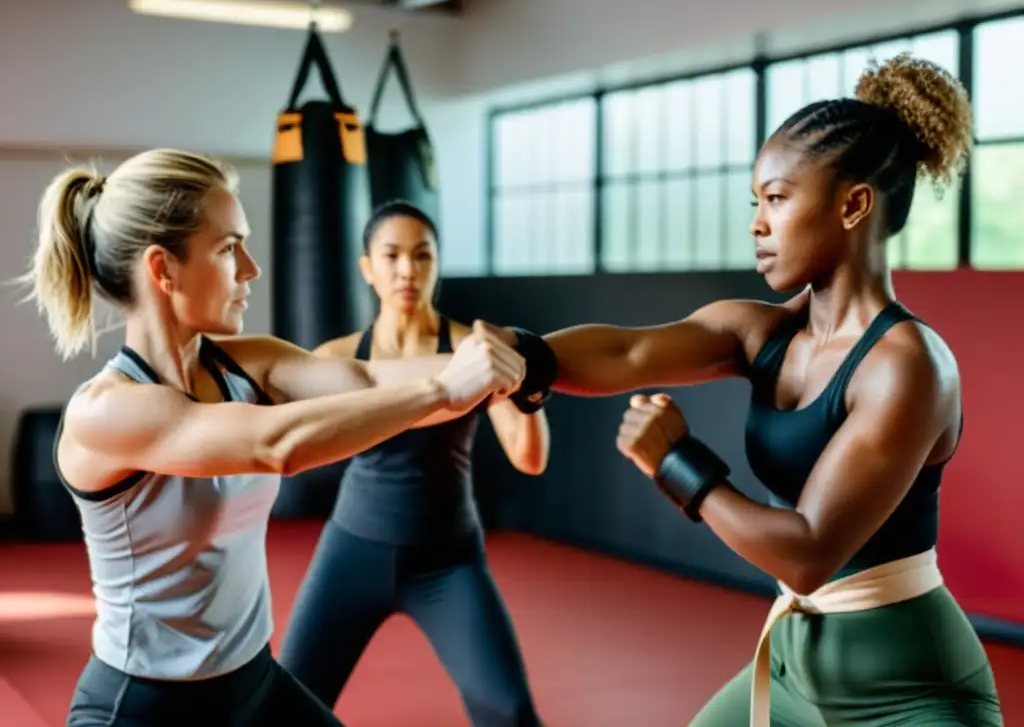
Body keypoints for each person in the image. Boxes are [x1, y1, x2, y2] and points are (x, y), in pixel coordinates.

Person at [530, 55, 1004, 725]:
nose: (758, 223)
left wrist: (675, 461)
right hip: (792, 672)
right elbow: (626, 350)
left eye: (777, 199)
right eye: (756, 202)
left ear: (852, 204)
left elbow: (808, 553)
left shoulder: (908, 366)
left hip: (908, 695)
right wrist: (522, 361)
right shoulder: (760, 333)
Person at [23, 149, 546, 727]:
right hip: (143, 709)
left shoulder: (249, 365)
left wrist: (528, 357)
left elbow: (367, 377)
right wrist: (446, 391)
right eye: (228, 249)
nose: (250, 268)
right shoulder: (107, 411)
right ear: (161, 269)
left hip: (254, 688)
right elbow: (276, 445)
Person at [278, 202, 549, 727]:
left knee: (509, 711)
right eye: (393, 255)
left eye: (422, 255)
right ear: (367, 268)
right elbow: (294, 445)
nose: (408, 270)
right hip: (351, 553)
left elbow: (530, 458)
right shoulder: (338, 355)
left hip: (447, 560)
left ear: (436, 264)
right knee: (287, 707)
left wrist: (530, 385)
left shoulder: (473, 350)